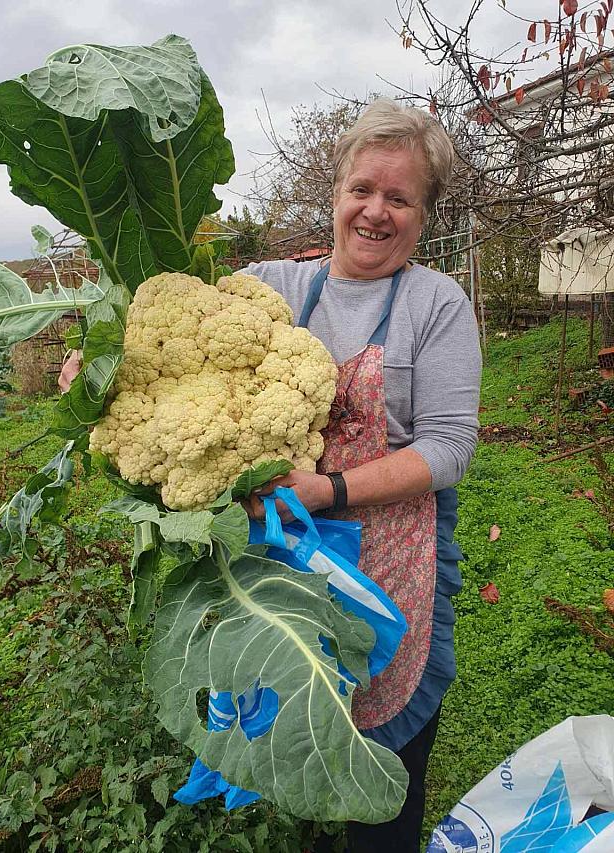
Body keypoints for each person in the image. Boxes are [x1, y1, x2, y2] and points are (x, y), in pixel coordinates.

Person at [241, 99, 481, 852]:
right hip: (284, 572)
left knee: (383, 790)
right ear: (337, 194)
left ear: (424, 214)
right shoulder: (268, 288)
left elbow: (448, 448)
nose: (376, 212)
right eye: (362, 190)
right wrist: (102, 352)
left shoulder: (435, 304)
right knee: (307, 747)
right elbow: (161, 335)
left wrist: (332, 490)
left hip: (391, 570)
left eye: (399, 197)